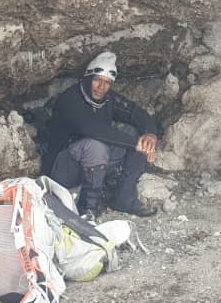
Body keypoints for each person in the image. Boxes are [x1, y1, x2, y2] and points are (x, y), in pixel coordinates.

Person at [45, 51, 159, 220]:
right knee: (96, 145)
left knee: (134, 133)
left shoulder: (107, 99)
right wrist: (135, 144)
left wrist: (150, 135)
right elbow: (92, 129)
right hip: (64, 168)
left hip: (94, 163)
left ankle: (124, 199)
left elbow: (136, 113)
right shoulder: (70, 99)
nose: (101, 87)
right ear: (88, 78)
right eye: (97, 80)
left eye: (107, 82)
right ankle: (88, 207)